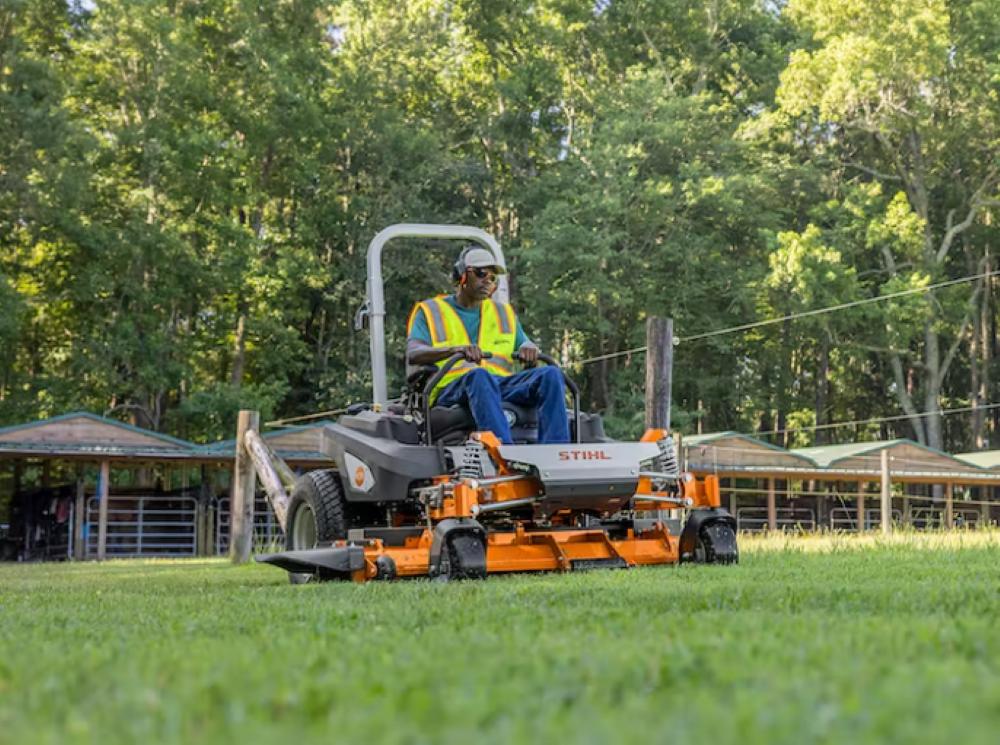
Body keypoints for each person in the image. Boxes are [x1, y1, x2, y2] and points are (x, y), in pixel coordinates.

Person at [406, 245, 570, 444]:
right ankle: (503, 452)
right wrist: (455, 350)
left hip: (500, 385)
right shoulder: (431, 311)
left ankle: (556, 451)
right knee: (478, 376)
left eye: (492, 277)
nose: (488, 281)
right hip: (450, 390)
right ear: (462, 276)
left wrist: (529, 347)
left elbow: (523, 341)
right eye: (481, 273)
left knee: (551, 374)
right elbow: (414, 352)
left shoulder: (503, 313)